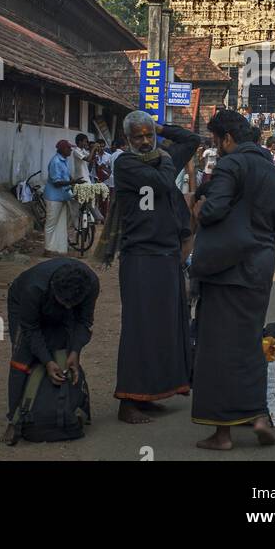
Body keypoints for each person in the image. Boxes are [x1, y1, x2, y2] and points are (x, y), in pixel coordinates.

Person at [190, 109, 275, 451]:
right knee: (249, 343)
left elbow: (213, 210)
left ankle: (222, 435)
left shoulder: (231, 164)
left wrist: (198, 208)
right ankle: (259, 416)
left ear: (228, 139)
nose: (217, 148)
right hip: (260, 267)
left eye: (217, 141)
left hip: (226, 269)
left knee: (216, 349)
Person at [98, 109, 192, 424]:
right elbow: (164, 181)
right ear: (127, 139)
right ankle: (128, 401)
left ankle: (150, 394)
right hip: (140, 256)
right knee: (140, 330)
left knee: (165, 327)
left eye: (148, 135)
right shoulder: (125, 164)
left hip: (166, 255)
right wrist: (164, 157)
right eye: (137, 136)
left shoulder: (159, 158)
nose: (144, 141)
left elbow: (192, 139)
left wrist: (162, 126)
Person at [3, 258, 99, 444]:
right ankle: (14, 420)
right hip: (24, 303)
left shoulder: (91, 284)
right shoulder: (34, 288)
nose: (66, 308)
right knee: (22, 357)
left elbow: (84, 322)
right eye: (63, 303)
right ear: (54, 289)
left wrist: (75, 351)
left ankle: (76, 408)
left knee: (65, 353)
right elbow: (30, 329)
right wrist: (47, 361)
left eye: (70, 305)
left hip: (62, 301)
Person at [44, 139, 74, 254]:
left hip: (62, 196)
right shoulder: (56, 161)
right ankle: (47, 249)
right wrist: (72, 182)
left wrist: (71, 180)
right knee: (51, 224)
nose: (71, 150)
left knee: (60, 223)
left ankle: (57, 247)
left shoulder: (64, 160)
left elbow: (66, 175)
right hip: (54, 197)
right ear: (62, 149)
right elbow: (56, 182)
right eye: (69, 148)